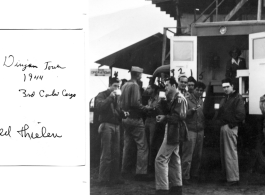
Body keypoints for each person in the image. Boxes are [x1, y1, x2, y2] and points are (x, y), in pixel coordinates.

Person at [155, 76, 188, 195]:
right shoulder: (175, 98)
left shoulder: (179, 99)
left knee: (160, 159)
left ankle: (162, 189)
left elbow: (179, 117)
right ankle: (176, 187)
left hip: (175, 131)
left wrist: (165, 117)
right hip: (174, 130)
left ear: (174, 85)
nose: (166, 88)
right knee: (174, 159)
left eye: (167, 85)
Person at [120, 66, 152, 181]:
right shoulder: (134, 85)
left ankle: (124, 170)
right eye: (140, 75)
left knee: (127, 145)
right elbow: (136, 103)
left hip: (125, 118)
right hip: (135, 118)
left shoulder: (124, 85)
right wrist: (146, 108)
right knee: (142, 146)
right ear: (138, 75)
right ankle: (141, 173)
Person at [95, 76, 125, 186]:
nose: (117, 88)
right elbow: (99, 107)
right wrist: (109, 98)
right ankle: (103, 179)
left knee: (116, 153)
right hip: (106, 124)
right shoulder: (102, 94)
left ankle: (114, 178)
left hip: (116, 125)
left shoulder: (118, 97)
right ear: (109, 85)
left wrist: (123, 113)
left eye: (118, 86)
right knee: (106, 153)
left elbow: (118, 110)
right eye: (115, 86)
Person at [216, 78, 245, 186]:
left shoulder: (238, 98)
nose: (225, 89)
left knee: (230, 153)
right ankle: (228, 177)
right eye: (224, 87)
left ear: (233, 86)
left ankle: (233, 179)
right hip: (224, 127)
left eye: (227, 86)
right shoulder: (225, 98)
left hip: (230, 127)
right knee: (224, 154)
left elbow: (241, 114)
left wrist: (230, 125)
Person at [182, 81, 206, 185]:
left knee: (198, 155)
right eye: (197, 90)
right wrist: (191, 111)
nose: (199, 92)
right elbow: (182, 114)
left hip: (200, 130)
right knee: (188, 155)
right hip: (190, 130)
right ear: (193, 89)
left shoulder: (201, 100)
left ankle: (194, 175)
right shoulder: (186, 100)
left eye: (201, 90)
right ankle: (185, 176)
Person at [144, 84, 159, 173]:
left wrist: (148, 108)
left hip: (153, 120)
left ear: (153, 89)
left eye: (149, 88)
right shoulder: (150, 98)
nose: (147, 89)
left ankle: (151, 165)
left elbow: (155, 108)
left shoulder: (158, 98)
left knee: (151, 142)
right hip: (148, 120)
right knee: (147, 142)